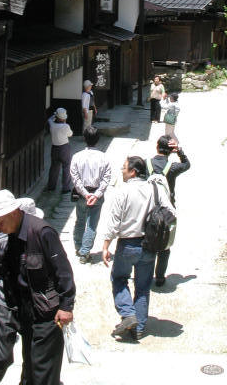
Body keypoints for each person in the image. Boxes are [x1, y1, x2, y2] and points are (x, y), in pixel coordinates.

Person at [0, 189, 75, 385]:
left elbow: (63, 271)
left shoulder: (42, 232)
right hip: (26, 312)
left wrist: (66, 306)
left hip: (47, 314)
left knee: (43, 371)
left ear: (14, 213)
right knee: (30, 366)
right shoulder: (11, 235)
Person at [102, 156, 174, 341]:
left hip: (127, 244)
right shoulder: (155, 189)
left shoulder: (123, 191)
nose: (122, 170)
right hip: (149, 245)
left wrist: (106, 245)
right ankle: (139, 329)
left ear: (133, 172)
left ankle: (128, 314)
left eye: (124, 168)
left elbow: (114, 222)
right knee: (143, 287)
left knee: (119, 278)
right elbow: (171, 213)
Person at [0, 198, 44, 385]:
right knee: (3, 355)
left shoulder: (41, 237)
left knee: (31, 354)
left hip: (31, 304)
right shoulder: (1, 241)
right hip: (6, 303)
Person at [147, 135, 191, 286]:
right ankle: (160, 277)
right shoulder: (172, 167)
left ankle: (145, 274)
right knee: (165, 244)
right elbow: (186, 164)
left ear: (156, 146)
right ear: (171, 151)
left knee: (147, 242)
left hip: (148, 208)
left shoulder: (146, 164)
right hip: (167, 211)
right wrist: (180, 151)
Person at [69, 126, 112, 263]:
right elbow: (106, 178)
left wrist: (85, 193)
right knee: (92, 224)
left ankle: (78, 246)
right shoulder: (104, 158)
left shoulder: (76, 157)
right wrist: (96, 194)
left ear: (84, 138)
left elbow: (75, 178)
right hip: (97, 194)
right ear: (98, 139)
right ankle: (85, 252)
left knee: (80, 220)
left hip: (82, 195)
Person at [46, 108, 73, 194]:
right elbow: (70, 134)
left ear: (57, 117)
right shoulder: (65, 126)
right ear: (64, 118)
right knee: (66, 167)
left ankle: (51, 186)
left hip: (54, 148)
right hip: (64, 148)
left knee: (54, 167)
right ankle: (65, 187)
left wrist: (54, 116)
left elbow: (49, 119)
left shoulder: (51, 124)